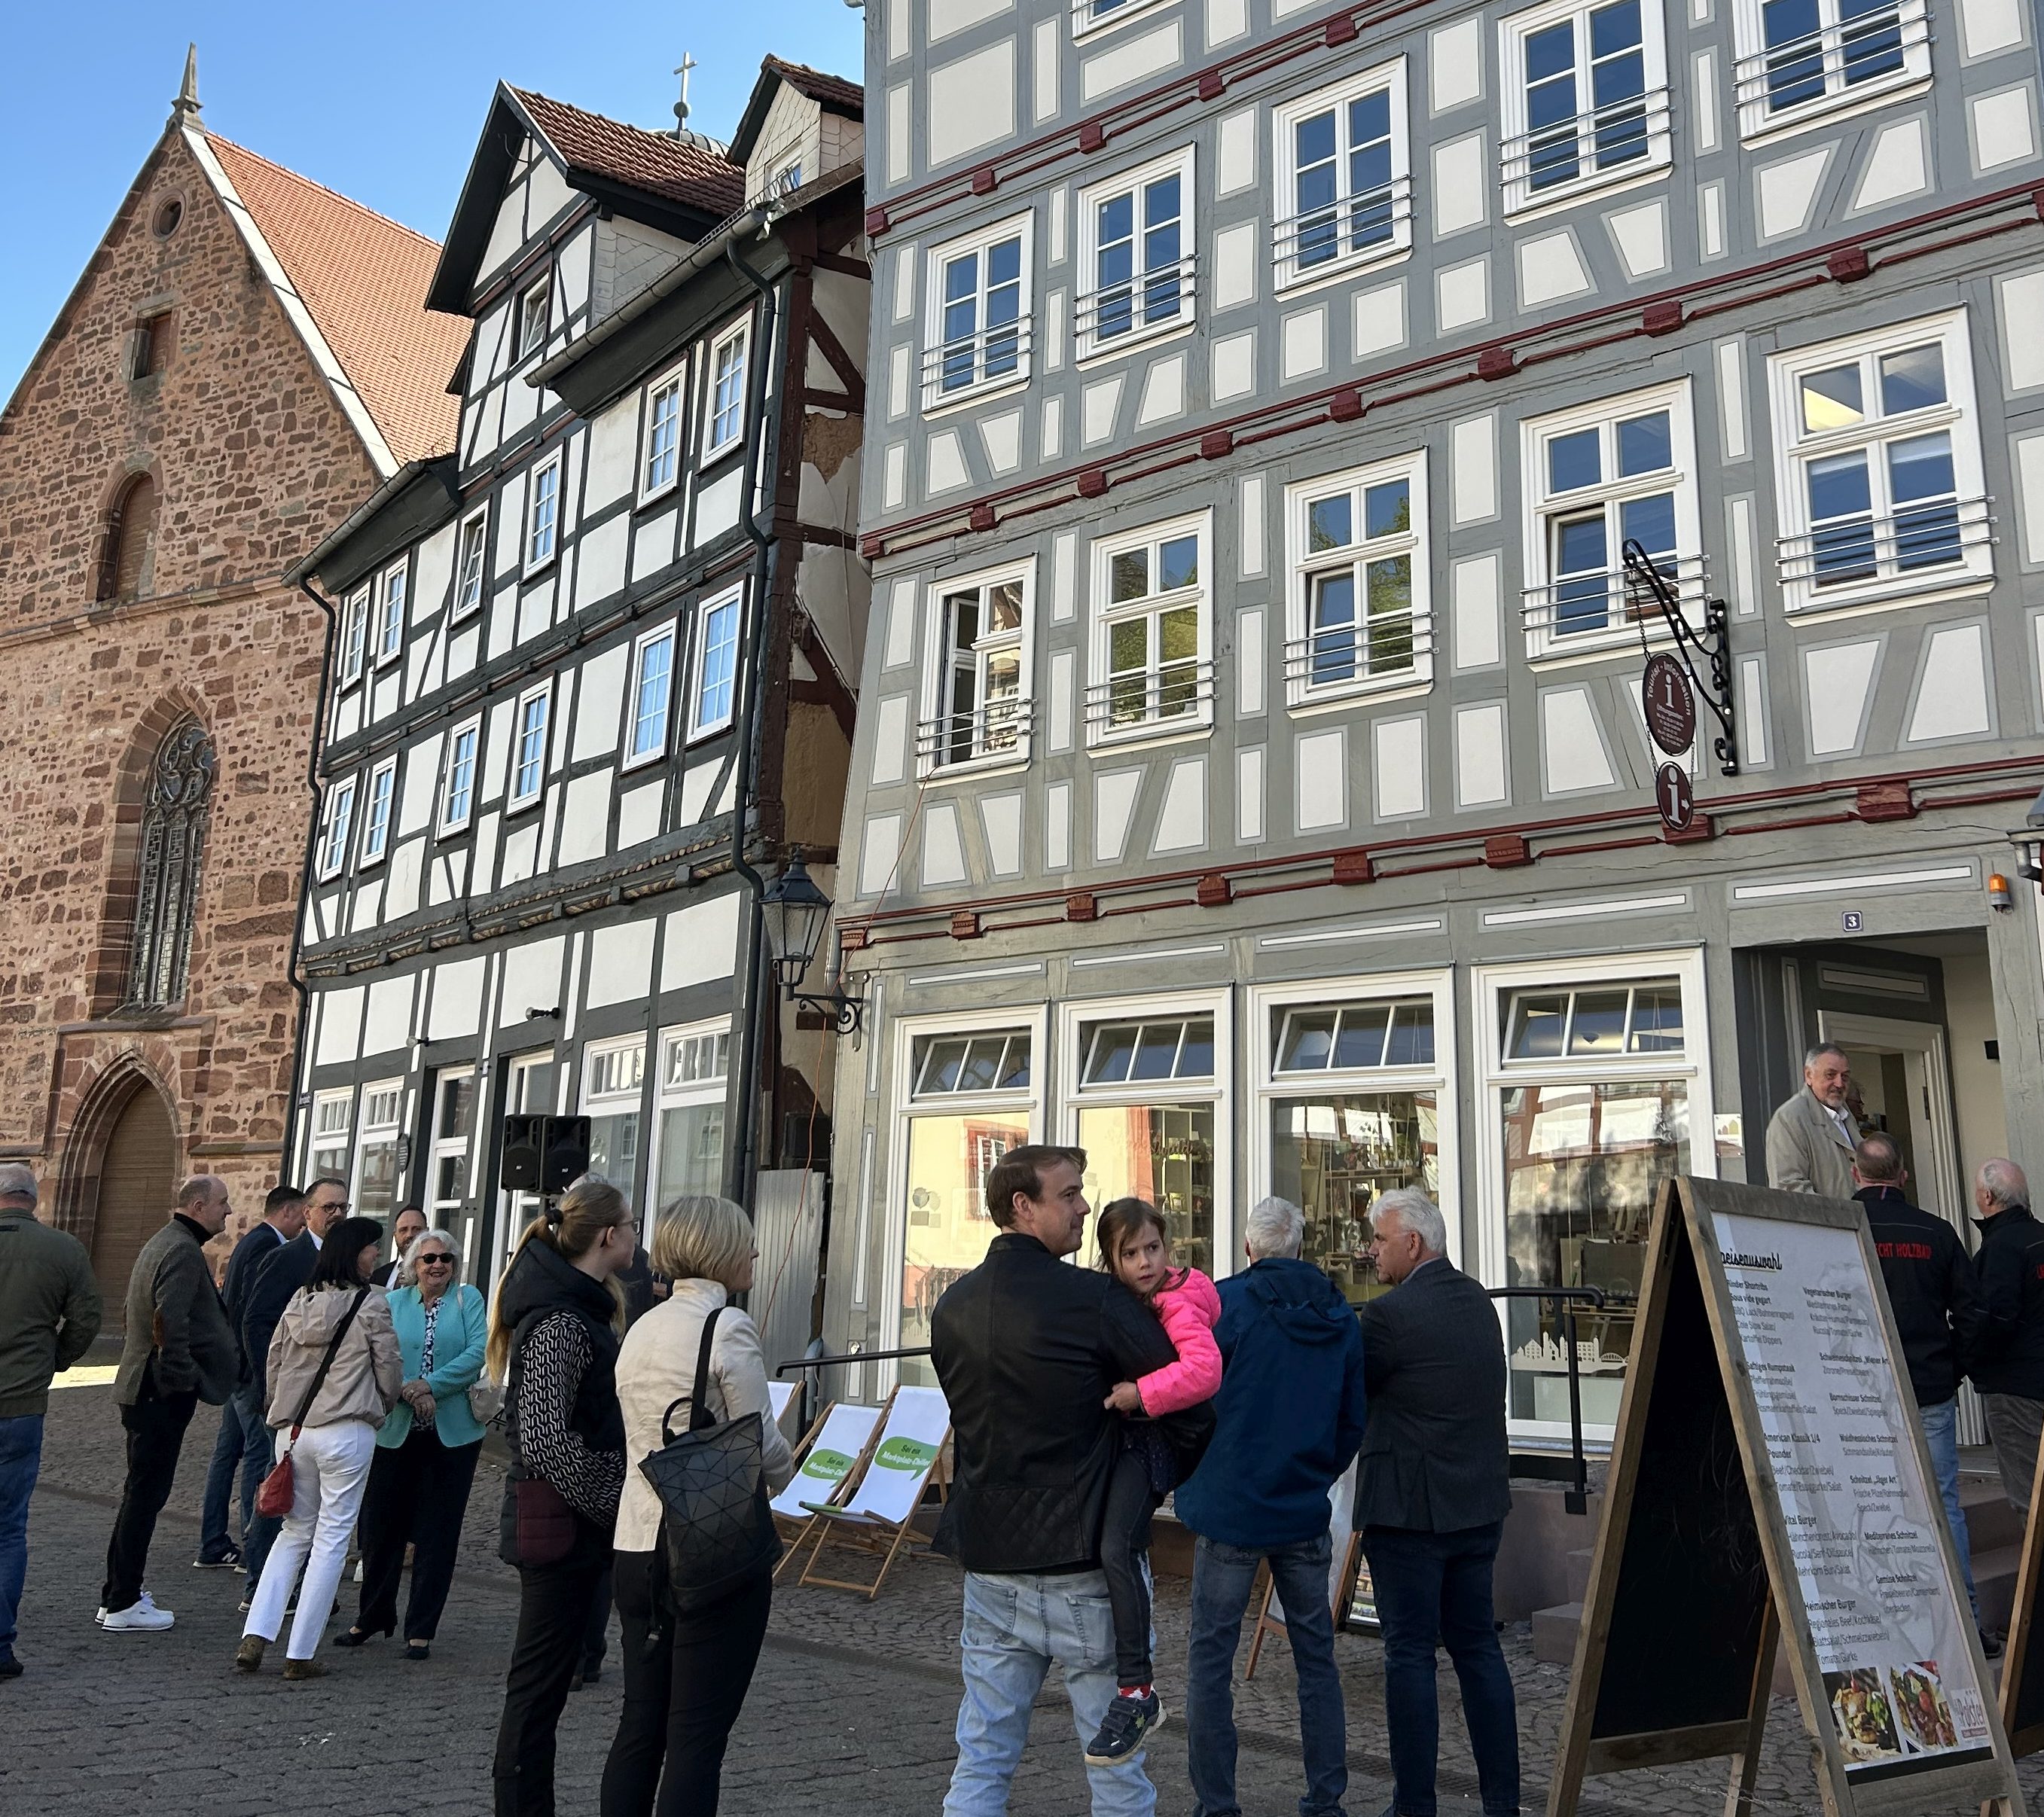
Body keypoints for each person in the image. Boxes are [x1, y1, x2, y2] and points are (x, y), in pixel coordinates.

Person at [929, 1144, 1183, 1817]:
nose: (1083, 1206)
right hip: (1085, 1563)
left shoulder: (950, 1305)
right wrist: (1144, 1486)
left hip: (990, 1558)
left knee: (982, 1757)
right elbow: (1185, 1404)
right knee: (1119, 1773)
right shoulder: (1095, 1297)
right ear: (1023, 1205)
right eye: (1069, 1194)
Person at [602, 1195, 794, 1817]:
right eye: (747, 1241)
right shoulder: (726, 1325)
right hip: (709, 1544)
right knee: (697, 1737)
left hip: (636, 1539)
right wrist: (794, 1468)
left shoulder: (641, 1326)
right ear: (721, 1250)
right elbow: (760, 1443)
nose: (756, 1252)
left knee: (641, 1725)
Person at [1175, 1196, 1367, 1817]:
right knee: (1317, 1657)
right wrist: (1317, 1472)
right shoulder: (1339, 1313)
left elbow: (1189, 1398)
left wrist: (1198, 1470)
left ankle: (1218, 1804)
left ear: (1250, 1249)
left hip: (1231, 1503)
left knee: (1211, 1658)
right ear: (1300, 1248)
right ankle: (1326, 1799)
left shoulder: (1224, 1305)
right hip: (1302, 1505)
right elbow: (1352, 1420)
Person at [1356, 1190, 1518, 1817]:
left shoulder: (1390, 1316)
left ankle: (1414, 1804)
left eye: (1378, 1237)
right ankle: (1502, 1801)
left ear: (1413, 1243)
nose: (1370, 1249)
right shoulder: (1479, 1301)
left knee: (1409, 1654)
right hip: (1478, 1504)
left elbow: (1354, 1395)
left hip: (1409, 1513)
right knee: (1478, 1649)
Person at [490, 1176, 636, 1817]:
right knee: (536, 1692)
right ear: (607, 1235)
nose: (636, 1234)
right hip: (559, 1528)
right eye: (629, 1224)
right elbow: (547, 1441)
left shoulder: (578, 1309)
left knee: (544, 1691)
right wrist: (611, 1501)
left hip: (577, 1526)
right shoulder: (558, 1322)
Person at [234, 1215, 400, 1678]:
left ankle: (256, 1633)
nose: (377, 1256)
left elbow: (275, 1361)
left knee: (293, 1533)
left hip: (294, 1431)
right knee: (331, 1540)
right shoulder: (371, 1303)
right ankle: (300, 1653)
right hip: (347, 1430)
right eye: (372, 1248)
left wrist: (280, 1413)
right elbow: (388, 1366)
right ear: (356, 1252)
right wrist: (383, 1403)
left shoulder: (301, 1299)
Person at [1088, 1197, 1222, 1765]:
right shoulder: (1127, 1299)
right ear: (1112, 1260)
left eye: (1153, 1248)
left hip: (1154, 1442)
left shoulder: (1173, 1303)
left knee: (1116, 1544)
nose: (1145, 1260)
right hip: (1135, 1440)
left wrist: (1139, 1393)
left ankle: (1137, 1685)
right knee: (1121, 1542)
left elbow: (1205, 1369)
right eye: (1131, 1252)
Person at [1853, 1136, 1993, 1645]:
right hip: (1930, 1385)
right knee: (1942, 1503)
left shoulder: (1839, 1227)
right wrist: (1954, 1364)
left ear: (1856, 1175)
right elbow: (1972, 1312)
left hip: (1860, 1393)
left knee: (1868, 1502)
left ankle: (1884, 1621)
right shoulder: (1935, 1231)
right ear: (1904, 1176)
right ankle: (1967, 1623)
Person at [99, 1175, 238, 1633]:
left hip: (147, 1388)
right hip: (157, 1392)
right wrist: (183, 1381)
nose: (229, 1211)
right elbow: (168, 1324)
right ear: (198, 1205)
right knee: (144, 1496)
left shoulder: (168, 1241)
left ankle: (117, 1594)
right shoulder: (179, 1248)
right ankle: (122, 1600)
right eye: (223, 1203)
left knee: (138, 1494)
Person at [341, 1227, 487, 1660]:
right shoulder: (390, 1302)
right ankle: (372, 1616)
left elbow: (476, 1353)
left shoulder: (469, 1299)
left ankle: (420, 1629)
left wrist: (429, 1385)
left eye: (445, 1258)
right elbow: (375, 1355)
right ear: (412, 1266)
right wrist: (406, 1389)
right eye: (428, 1259)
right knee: (380, 1529)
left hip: (453, 1435)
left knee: (438, 1533)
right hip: (394, 1429)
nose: (438, 1265)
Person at [0, 1163, 102, 1676]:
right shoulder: (63, 1249)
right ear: (33, 1199)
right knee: (8, 1527)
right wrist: (55, 1358)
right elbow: (87, 1316)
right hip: (20, 1403)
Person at [238, 1176, 350, 1601]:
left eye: (342, 1207)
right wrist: (273, 1384)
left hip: (330, 1400)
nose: (336, 1214)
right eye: (328, 1208)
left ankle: (306, 1585)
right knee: (279, 1486)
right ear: (307, 1214)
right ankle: (259, 1585)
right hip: (287, 1398)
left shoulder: (345, 1263)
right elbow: (256, 1320)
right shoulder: (289, 1258)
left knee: (316, 1495)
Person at [196, 1183, 306, 1570]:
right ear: (290, 1212)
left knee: (228, 1453)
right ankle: (250, 1544)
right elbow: (253, 1313)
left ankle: (213, 1542)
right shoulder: (266, 1245)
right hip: (247, 1372)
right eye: (304, 1216)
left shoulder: (251, 1241)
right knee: (259, 1455)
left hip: (235, 1368)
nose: (304, 1227)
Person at [1971, 1158, 2044, 1515]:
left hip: (2015, 1390)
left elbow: (1994, 1321)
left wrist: (1969, 1362)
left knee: (2029, 1500)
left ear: (1987, 1196)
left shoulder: (1999, 1248)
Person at [1765, 1042, 1857, 1200]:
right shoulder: (1790, 1118)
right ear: (1809, 1076)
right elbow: (1789, 1187)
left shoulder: (1846, 1116)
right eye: (1830, 1075)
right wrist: (1835, 1217)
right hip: (1826, 1223)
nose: (1839, 1083)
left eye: (1845, 1076)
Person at [372, 1206, 427, 1288]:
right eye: (403, 1230)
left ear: (427, 1232)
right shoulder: (376, 1276)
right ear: (395, 1234)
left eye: (417, 1229)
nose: (409, 1235)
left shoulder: (433, 1275)